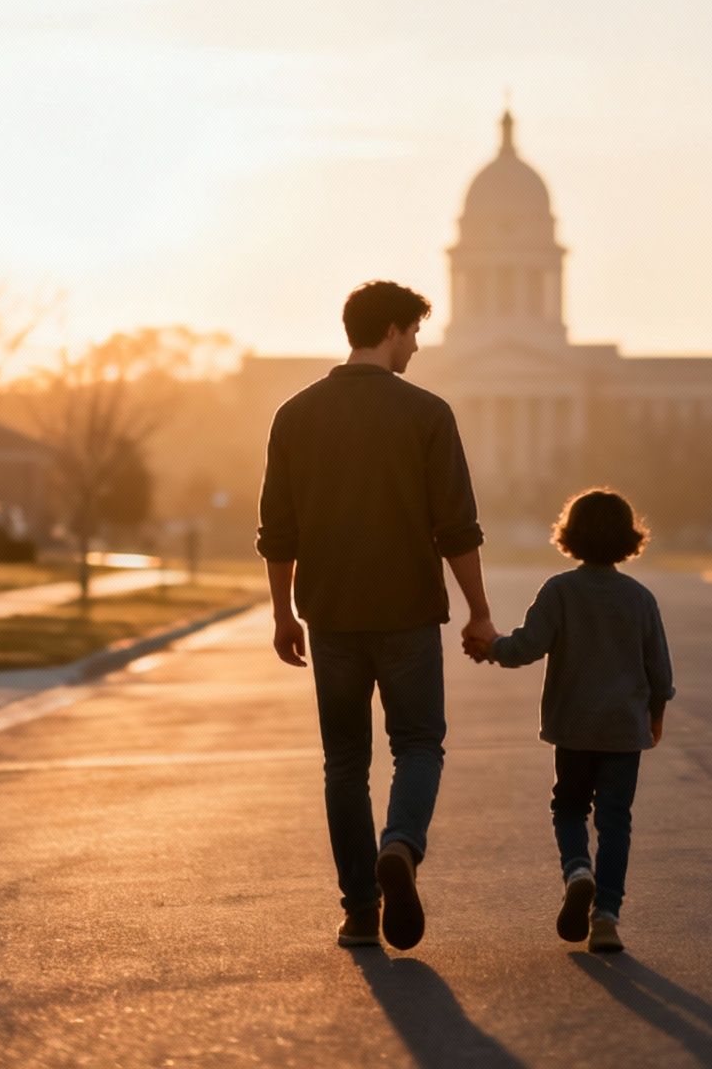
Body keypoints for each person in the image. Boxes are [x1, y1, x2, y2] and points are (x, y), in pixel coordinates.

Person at [256, 280, 496, 952]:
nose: (417, 344)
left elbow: (277, 531)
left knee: (344, 764)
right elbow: (457, 527)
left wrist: (283, 614)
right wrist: (479, 611)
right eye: (414, 332)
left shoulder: (295, 415)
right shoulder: (428, 414)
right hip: (409, 614)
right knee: (418, 746)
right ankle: (400, 846)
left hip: (331, 616)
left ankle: (361, 909)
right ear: (392, 329)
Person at [472, 488, 673, 953]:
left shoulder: (559, 591)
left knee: (568, 808)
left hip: (573, 726)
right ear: (629, 539)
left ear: (570, 536)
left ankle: (577, 869)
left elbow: (525, 647)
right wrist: (656, 714)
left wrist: (490, 646)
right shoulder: (640, 599)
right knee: (616, 821)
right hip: (624, 729)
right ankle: (606, 918)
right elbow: (659, 671)